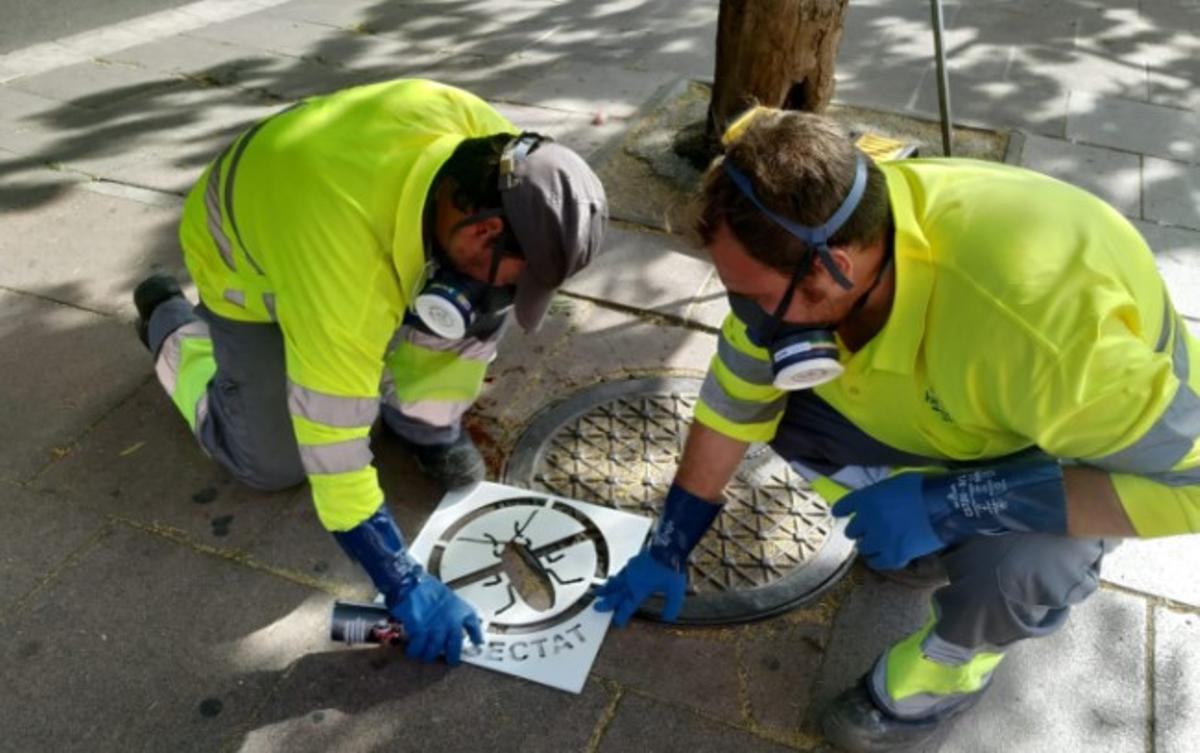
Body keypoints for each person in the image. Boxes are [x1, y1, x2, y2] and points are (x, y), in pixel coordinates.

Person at [594, 106, 1198, 752]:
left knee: (1029, 563)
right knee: (787, 409)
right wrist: (671, 539)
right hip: (963, 409)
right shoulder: (799, 244)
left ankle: (942, 674)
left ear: (834, 267)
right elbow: (732, 406)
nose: (746, 316)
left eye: (757, 298)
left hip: (1068, 438)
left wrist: (951, 503)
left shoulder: (1044, 338)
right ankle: (932, 544)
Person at [133, 78, 607, 667]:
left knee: (472, 306)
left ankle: (422, 424)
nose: (514, 291)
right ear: (484, 229)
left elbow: (480, 295)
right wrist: (400, 577)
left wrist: (430, 417)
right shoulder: (346, 279)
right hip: (244, 253)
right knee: (269, 462)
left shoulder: (495, 152)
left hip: (317, 184)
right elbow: (331, 444)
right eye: (520, 274)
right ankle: (169, 321)